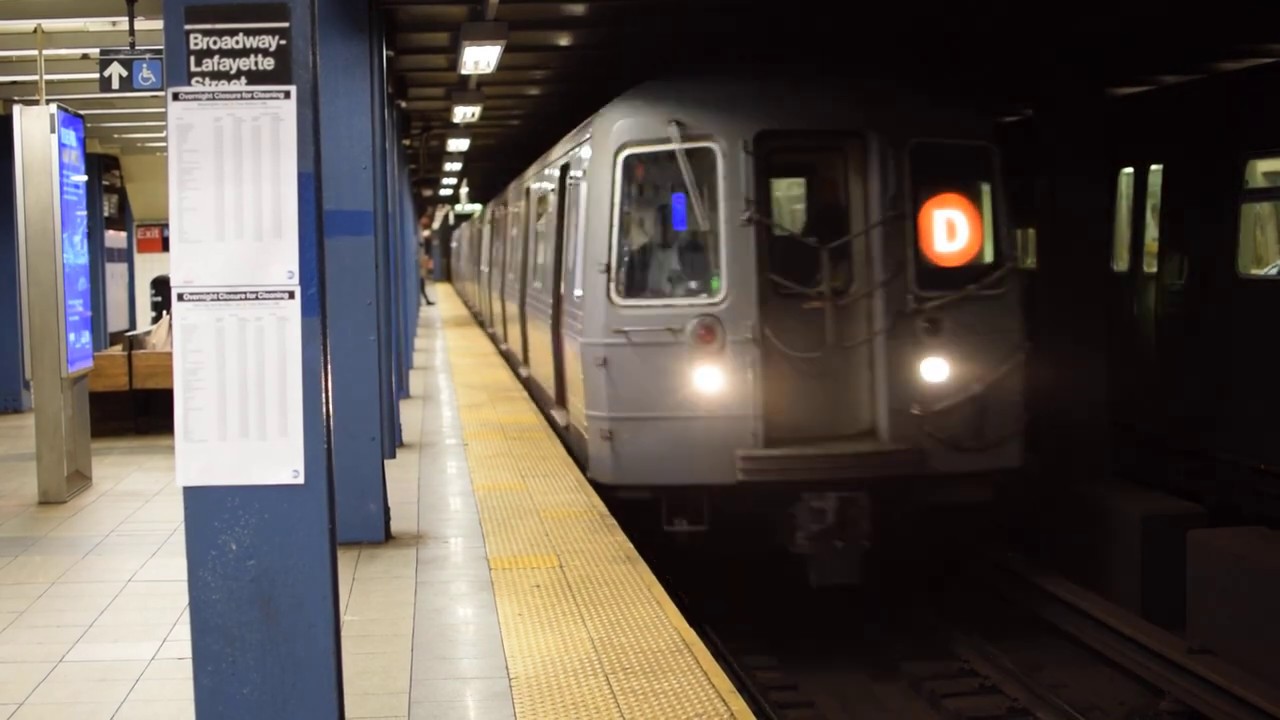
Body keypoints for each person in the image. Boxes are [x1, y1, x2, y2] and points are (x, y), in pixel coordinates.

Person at [419, 237, 435, 306]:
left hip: (421, 275)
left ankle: (427, 301)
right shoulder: (422, 256)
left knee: (422, 289)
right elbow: (422, 265)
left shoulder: (421, 255)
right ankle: (427, 301)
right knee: (422, 289)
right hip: (420, 275)